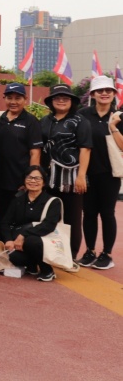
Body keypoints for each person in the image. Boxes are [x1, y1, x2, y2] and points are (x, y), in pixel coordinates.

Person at [40, 83, 91, 260]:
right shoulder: (45, 121)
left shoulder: (80, 121)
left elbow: (85, 149)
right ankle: (51, 254)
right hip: (48, 178)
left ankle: (71, 256)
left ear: (72, 101)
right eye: (57, 97)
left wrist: (81, 176)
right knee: (49, 217)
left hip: (72, 178)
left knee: (72, 219)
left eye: (65, 98)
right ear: (51, 101)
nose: (61, 101)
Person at [78, 75, 123, 269]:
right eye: (99, 91)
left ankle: (107, 254)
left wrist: (112, 126)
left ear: (113, 94)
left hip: (109, 174)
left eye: (108, 90)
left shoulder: (119, 116)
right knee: (88, 213)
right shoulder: (82, 115)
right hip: (87, 173)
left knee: (107, 213)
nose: (104, 93)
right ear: (92, 94)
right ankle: (89, 251)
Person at [0, 83, 43, 240]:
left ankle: (17, 248)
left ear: (25, 99)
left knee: (18, 218)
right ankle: (2, 246)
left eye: (18, 98)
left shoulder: (31, 121)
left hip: (20, 181)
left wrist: (30, 179)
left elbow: (35, 152)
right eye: (9, 98)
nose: (13, 102)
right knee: (1, 215)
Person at [0, 165, 62, 282]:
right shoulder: (18, 200)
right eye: (29, 177)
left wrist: (23, 235)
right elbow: (5, 222)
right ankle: (31, 266)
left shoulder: (53, 202)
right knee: (14, 257)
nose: (33, 181)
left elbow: (48, 225)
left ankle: (47, 270)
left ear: (44, 182)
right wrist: (8, 240)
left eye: (37, 178)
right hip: (19, 244)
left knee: (32, 241)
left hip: (42, 241)